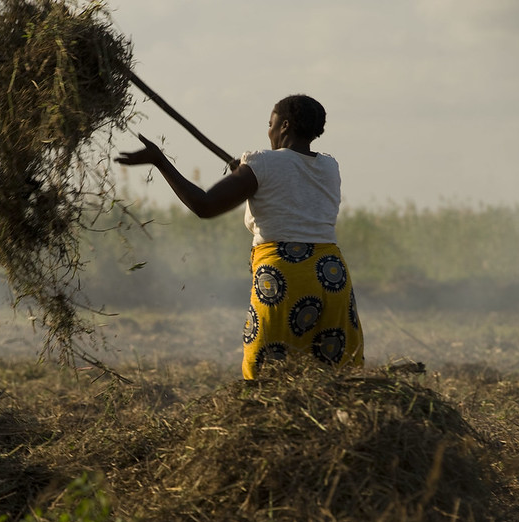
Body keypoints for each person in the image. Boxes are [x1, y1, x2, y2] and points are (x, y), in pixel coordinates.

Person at [115, 94, 363, 379]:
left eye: (270, 124)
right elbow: (289, 193)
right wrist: (248, 175)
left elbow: (205, 206)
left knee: (268, 374)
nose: (268, 131)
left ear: (284, 125)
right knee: (333, 374)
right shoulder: (329, 167)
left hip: (286, 275)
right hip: (332, 275)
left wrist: (160, 161)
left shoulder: (263, 163)